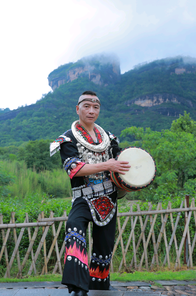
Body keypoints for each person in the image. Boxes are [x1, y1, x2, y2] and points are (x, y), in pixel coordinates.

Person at [50, 91, 130, 296]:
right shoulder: (66, 139)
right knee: (74, 228)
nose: (91, 111)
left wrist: (130, 179)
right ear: (78, 109)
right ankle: (78, 287)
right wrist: (108, 164)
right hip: (83, 196)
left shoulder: (109, 138)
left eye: (96, 107)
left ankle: (99, 287)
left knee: (104, 244)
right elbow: (74, 169)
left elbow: (120, 165)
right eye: (86, 106)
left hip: (108, 198)